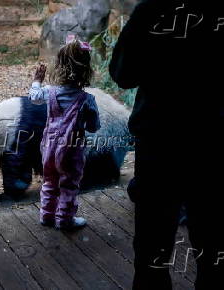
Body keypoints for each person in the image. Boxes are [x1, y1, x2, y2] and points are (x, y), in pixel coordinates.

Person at [109, 0, 224, 289]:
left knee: (152, 251)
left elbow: (122, 73)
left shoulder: (153, 9)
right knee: (214, 247)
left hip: (160, 143)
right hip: (213, 143)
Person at [28, 39, 101, 230]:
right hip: (71, 150)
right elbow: (94, 127)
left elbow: (33, 98)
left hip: (49, 147)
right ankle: (64, 219)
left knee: (50, 181)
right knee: (68, 185)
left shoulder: (50, 92)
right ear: (86, 69)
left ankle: (46, 215)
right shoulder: (87, 100)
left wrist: (37, 80)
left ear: (58, 67)